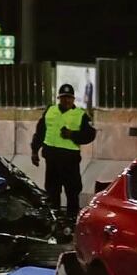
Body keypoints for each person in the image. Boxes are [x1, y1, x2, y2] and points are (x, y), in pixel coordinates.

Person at [30, 83, 96, 221]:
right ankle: (55, 221)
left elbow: (90, 135)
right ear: (59, 98)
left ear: (73, 99)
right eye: (63, 97)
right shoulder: (50, 111)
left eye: (69, 97)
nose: (66, 100)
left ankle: (71, 221)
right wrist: (34, 151)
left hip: (70, 161)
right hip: (52, 160)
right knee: (52, 191)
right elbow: (40, 132)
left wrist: (72, 134)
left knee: (72, 191)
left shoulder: (80, 115)